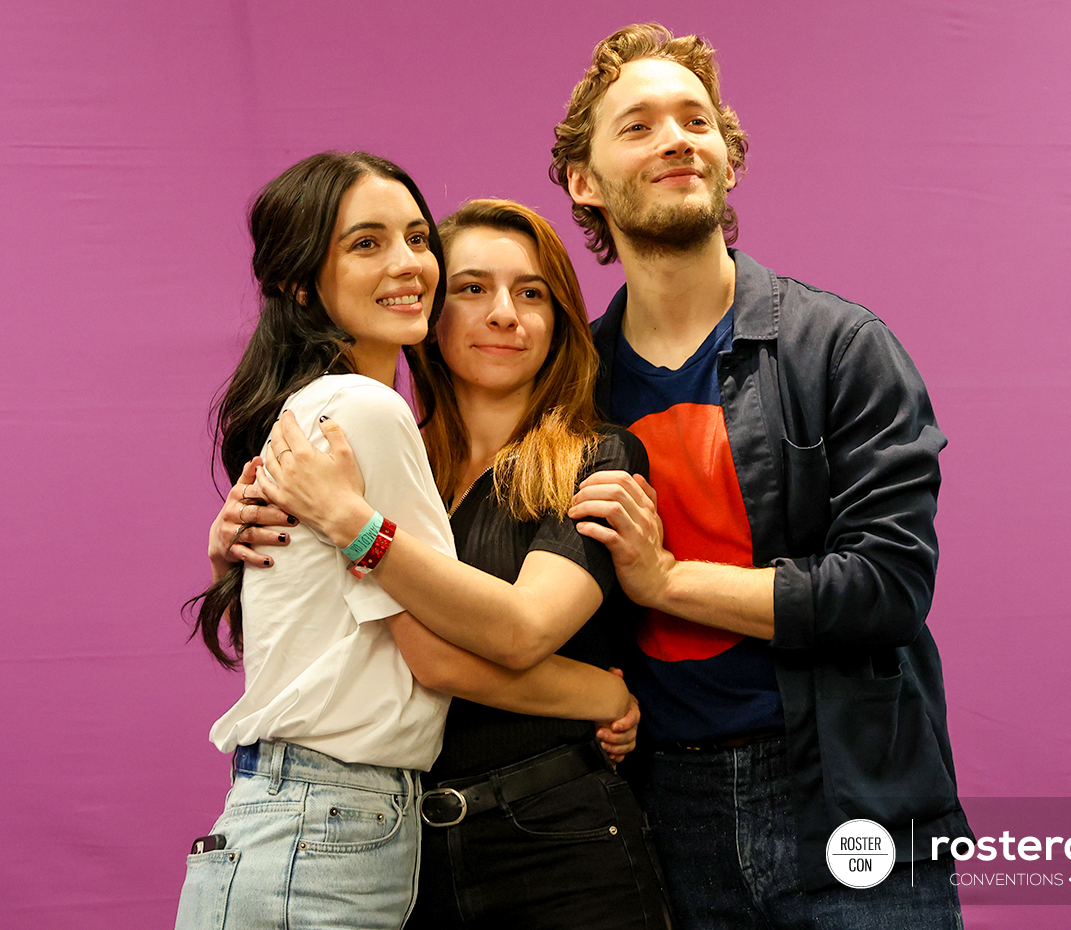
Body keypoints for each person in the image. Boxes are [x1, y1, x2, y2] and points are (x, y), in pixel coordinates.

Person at [548, 23, 973, 929]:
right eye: (638, 126)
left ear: (728, 160)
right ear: (584, 182)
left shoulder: (838, 349)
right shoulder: (570, 389)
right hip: (664, 809)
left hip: (852, 797)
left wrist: (666, 581)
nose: (675, 139)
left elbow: (890, 589)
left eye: (695, 120)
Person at [176, 154, 636, 930]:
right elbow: (434, 652)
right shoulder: (370, 419)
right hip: (344, 823)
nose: (503, 314)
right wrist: (605, 693)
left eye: (533, 293)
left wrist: (324, 535)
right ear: (301, 282)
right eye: (472, 287)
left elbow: (502, 629)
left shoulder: (589, 456)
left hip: (488, 836)